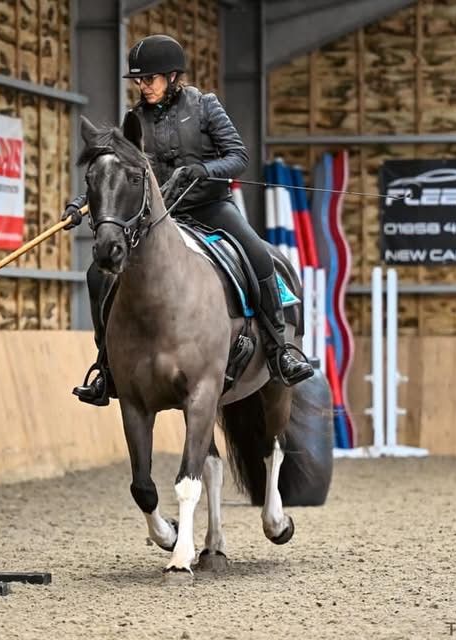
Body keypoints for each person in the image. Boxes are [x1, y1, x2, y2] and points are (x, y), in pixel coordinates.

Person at [64, 34, 313, 406]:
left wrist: (203, 169)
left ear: (172, 76)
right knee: (97, 273)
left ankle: (280, 349)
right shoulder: (134, 120)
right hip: (161, 216)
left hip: (210, 207)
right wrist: (81, 203)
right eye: (139, 81)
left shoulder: (205, 106)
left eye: (150, 79)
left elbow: (237, 156)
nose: (143, 86)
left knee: (258, 255)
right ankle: (106, 366)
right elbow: (116, 172)